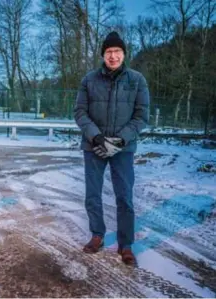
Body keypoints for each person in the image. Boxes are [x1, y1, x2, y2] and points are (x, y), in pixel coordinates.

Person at [73, 31, 150, 265]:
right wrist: (96, 137)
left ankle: (126, 244)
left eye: (117, 52)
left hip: (123, 149)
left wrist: (119, 141)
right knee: (93, 195)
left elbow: (141, 116)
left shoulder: (137, 80)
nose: (113, 56)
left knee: (124, 197)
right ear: (103, 55)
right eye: (109, 52)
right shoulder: (89, 79)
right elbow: (80, 112)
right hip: (93, 146)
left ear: (124, 54)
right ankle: (97, 235)